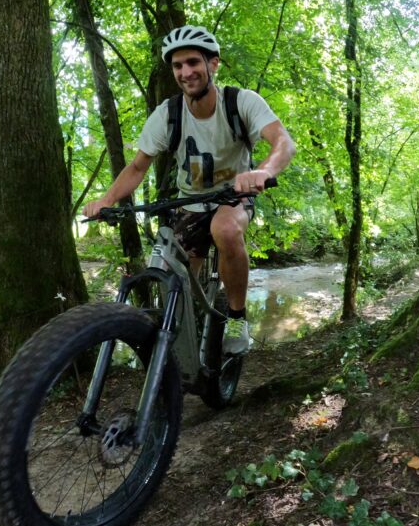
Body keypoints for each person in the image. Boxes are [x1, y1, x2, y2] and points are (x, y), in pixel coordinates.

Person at [83, 25, 295, 355]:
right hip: (190, 201)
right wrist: (106, 200)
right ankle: (177, 348)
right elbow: (138, 166)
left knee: (224, 230)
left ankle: (237, 316)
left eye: (194, 62)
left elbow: (283, 141)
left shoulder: (240, 102)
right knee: (173, 282)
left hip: (233, 197)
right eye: (178, 66)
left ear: (213, 64)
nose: (186, 72)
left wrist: (262, 171)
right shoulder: (167, 114)